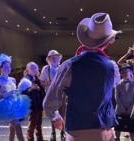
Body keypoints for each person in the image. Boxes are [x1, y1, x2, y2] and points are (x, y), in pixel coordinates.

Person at [43, 12, 121, 141]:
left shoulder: (68, 66)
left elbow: (49, 101)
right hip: (105, 129)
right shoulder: (112, 67)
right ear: (106, 42)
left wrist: (55, 117)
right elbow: (111, 86)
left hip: (77, 129)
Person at [0, 53, 31, 141]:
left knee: (12, 128)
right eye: (5, 67)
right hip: (5, 107)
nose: (8, 69)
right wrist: (6, 95)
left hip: (14, 105)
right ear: (0, 68)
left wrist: (18, 91)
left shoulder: (12, 79)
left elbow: (15, 92)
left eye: (9, 66)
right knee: (17, 126)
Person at [39, 50, 66, 141]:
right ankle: (53, 133)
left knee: (62, 114)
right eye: (53, 57)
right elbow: (41, 82)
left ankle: (62, 133)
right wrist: (51, 82)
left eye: (57, 57)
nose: (55, 59)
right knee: (52, 115)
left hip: (61, 95)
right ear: (49, 59)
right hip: (50, 95)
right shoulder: (46, 69)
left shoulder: (62, 68)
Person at [18, 62, 45, 141]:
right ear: (27, 70)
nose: (34, 69)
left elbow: (42, 92)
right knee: (32, 126)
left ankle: (40, 139)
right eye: (32, 68)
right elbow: (21, 93)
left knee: (39, 125)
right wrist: (31, 89)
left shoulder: (37, 79)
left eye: (35, 68)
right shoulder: (25, 81)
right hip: (32, 107)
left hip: (39, 105)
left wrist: (38, 89)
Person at [114, 64, 134, 141]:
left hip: (131, 109)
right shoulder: (118, 84)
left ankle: (133, 138)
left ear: (131, 72)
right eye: (123, 72)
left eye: (126, 71)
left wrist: (131, 108)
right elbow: (117, 97)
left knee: (131, 126)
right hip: (120, 109)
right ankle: (117, 138)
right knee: (118, 126)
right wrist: (122, 108)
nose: (125, 73)